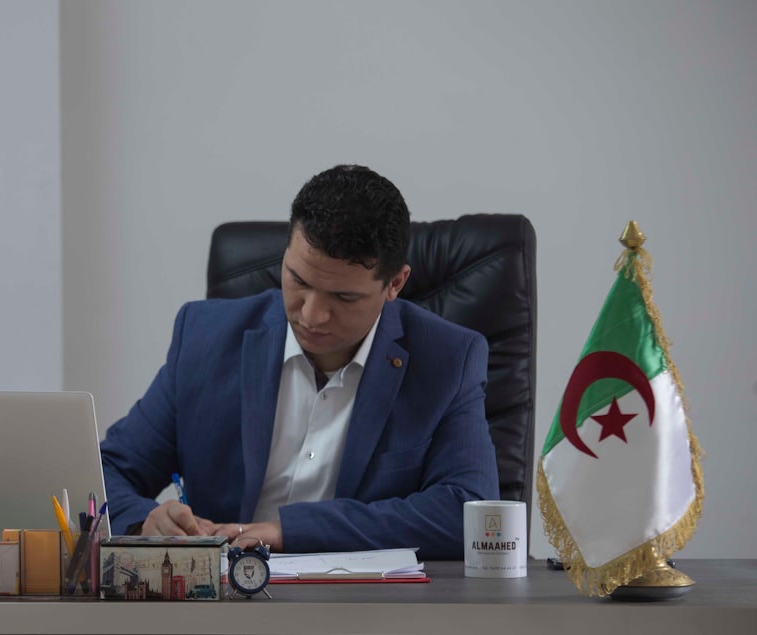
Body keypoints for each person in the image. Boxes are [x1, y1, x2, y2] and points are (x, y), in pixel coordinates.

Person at [100, 165, 498, 559]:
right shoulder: (204, 338)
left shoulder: (448, 359)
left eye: (343, 297)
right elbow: (106, 471)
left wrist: (290, 531)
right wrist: (144, 523)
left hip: (362, 598)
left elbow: (469, 512)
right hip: (225, 593)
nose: (311, 315)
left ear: (395, 283)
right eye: (299, 281)